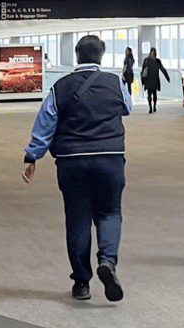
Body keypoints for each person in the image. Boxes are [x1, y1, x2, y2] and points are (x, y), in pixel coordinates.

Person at [22, 35, 131, 302]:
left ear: (76, 55)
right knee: (109, 212)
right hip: (110, 158)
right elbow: (127, 108)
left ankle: (82, 283)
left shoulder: (60, 87)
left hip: (72, 161)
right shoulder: (115, 82)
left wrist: (31, 156)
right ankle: (107, 261)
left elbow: (45, 122)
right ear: (102, 56)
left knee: (78, 219)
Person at [141, 48, 169, 114]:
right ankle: (151, 108)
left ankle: (154, 107)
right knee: (150, 95)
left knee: (154, 94)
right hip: (150, 80)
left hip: (153, 80)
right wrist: (143, 80)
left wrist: (167, 77)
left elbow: (163, 69)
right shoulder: (148, 61)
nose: (153, 54)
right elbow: (143, 71)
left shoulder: (153, 61)